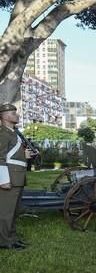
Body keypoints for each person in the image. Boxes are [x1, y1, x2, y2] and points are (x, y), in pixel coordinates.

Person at [0, 103, 35, 250]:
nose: (17, 115)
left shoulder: (13, 133)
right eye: (13, 113)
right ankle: (4, 241)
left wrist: (24, 155)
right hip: (9, 178)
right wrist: (3, 180)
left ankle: (12, 238)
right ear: (5, 116)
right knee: (6, 213)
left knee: (14, 211)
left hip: (17, 177)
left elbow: (12, 155)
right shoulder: (2, 134)